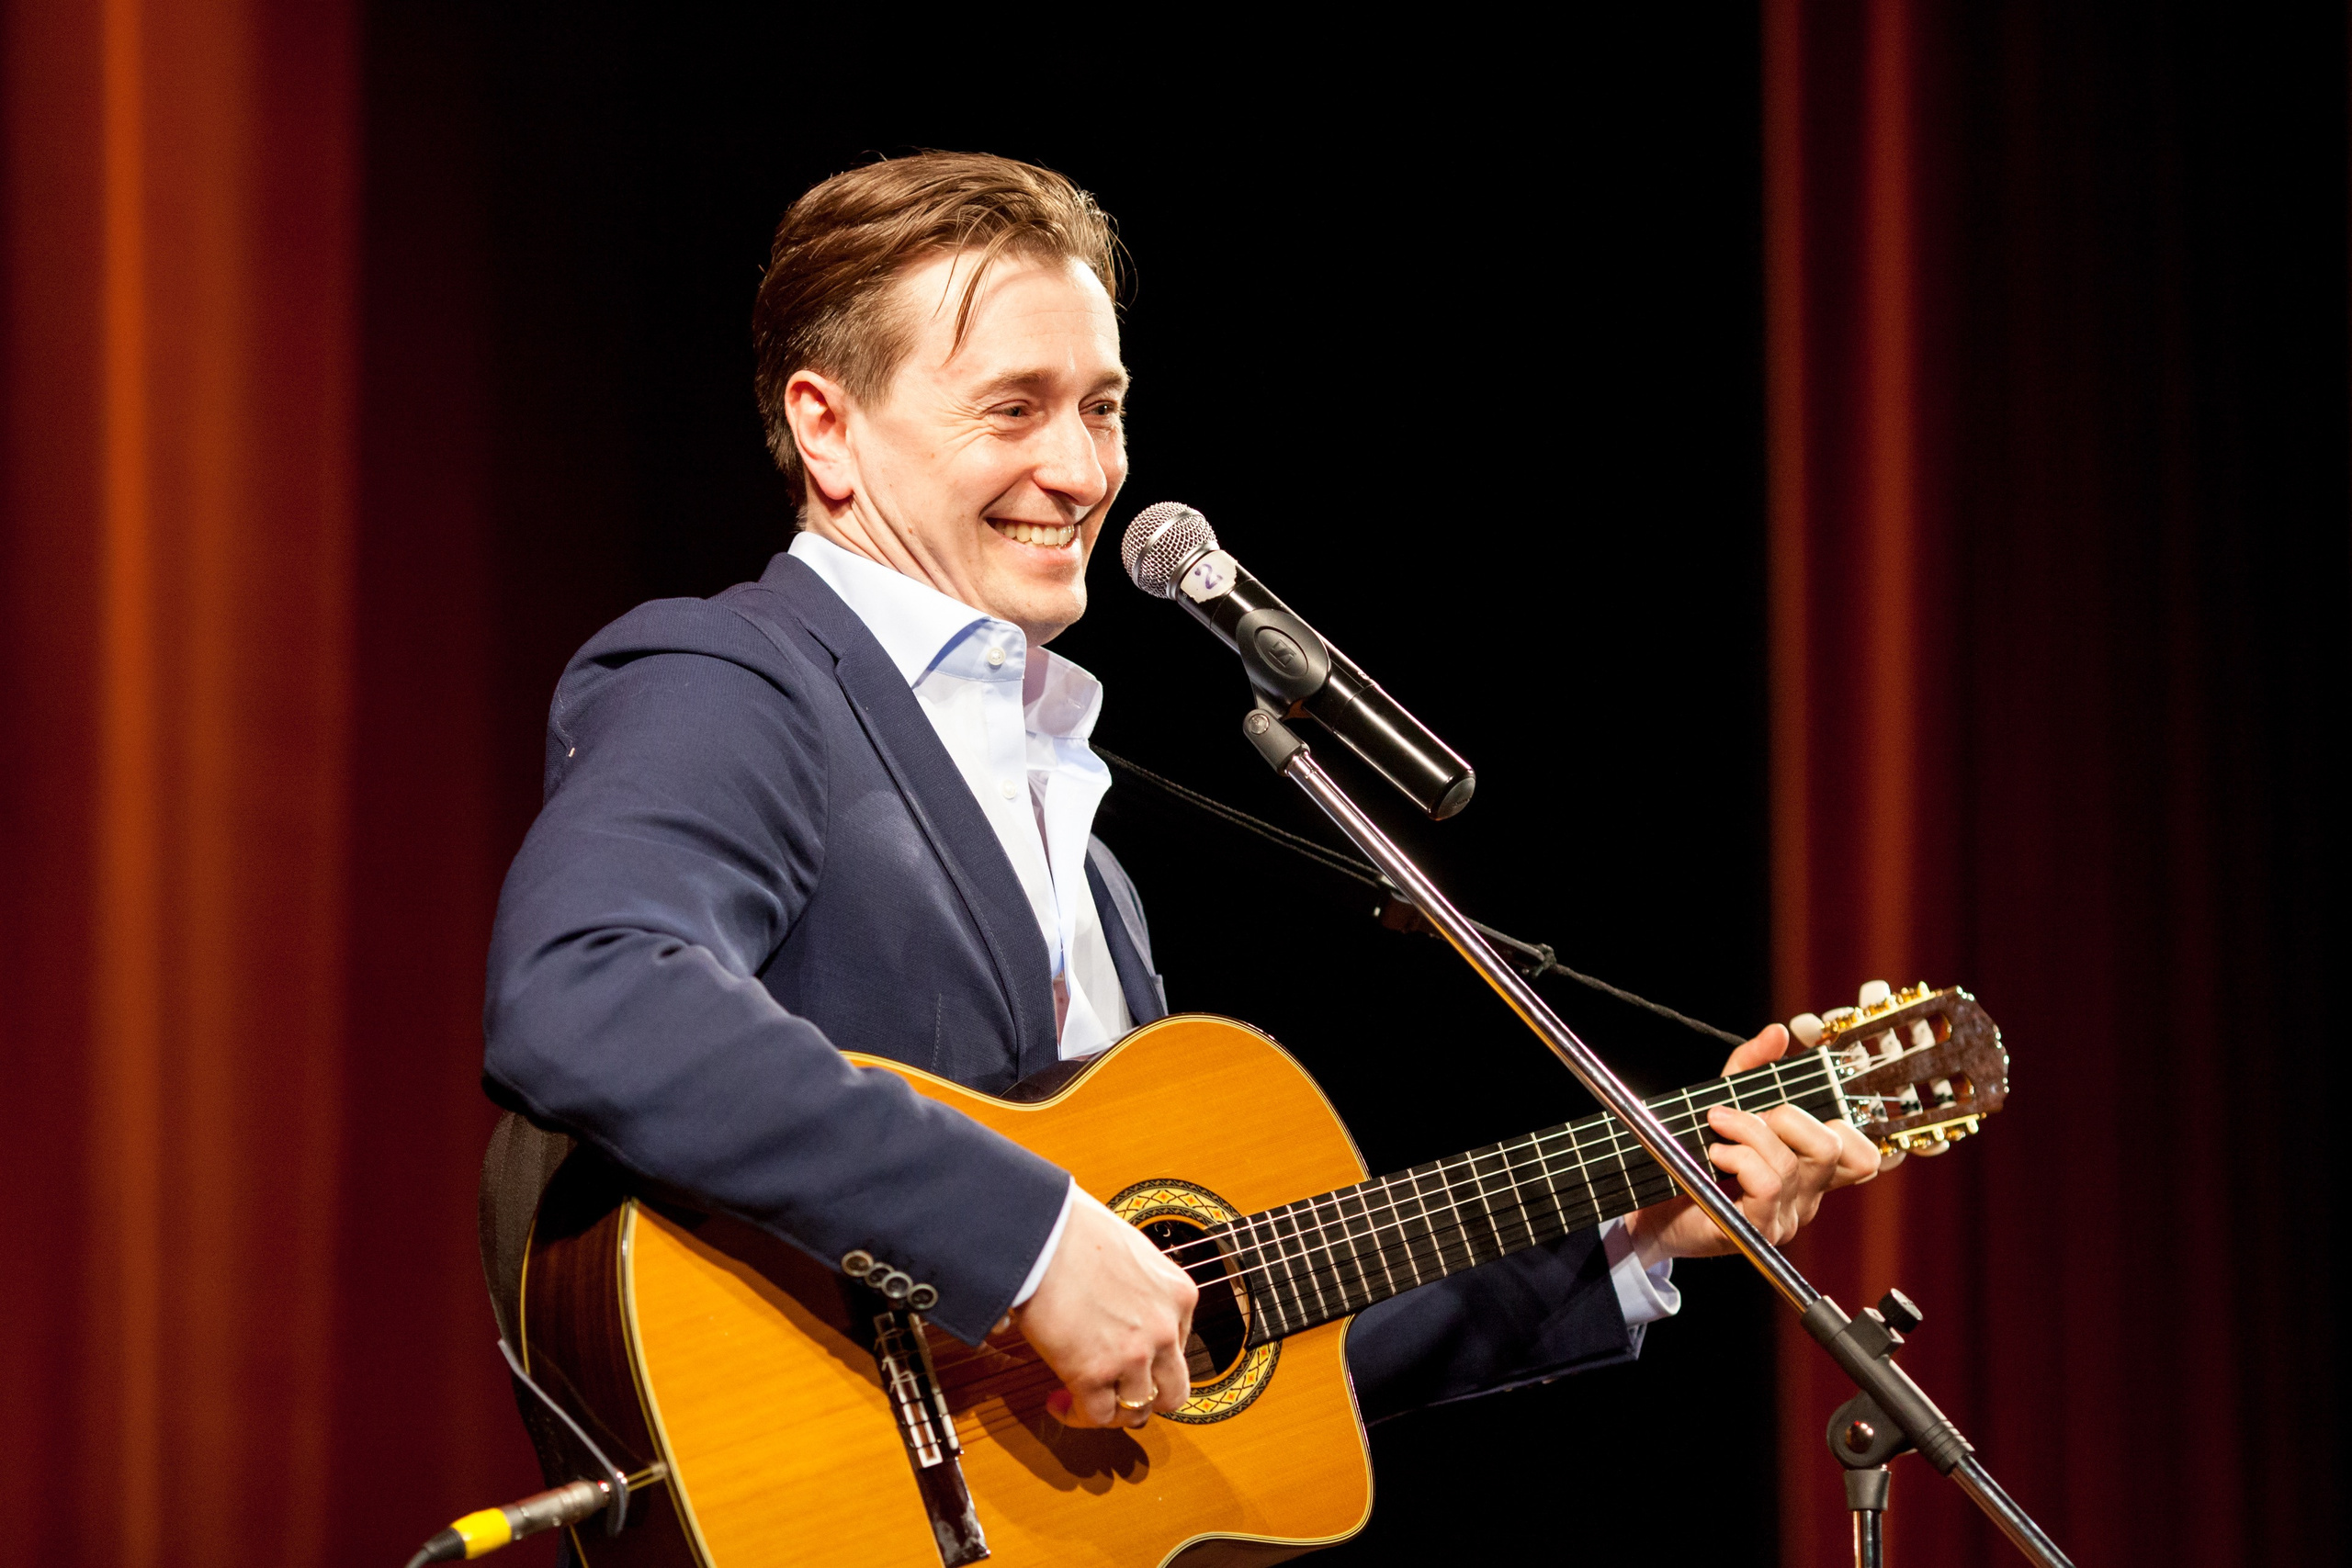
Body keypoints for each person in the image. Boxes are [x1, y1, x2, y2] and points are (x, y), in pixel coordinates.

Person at [481, 152, 1882, 1449]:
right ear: (826, 427)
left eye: (1103, 408)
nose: (1083, 472)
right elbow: (591, 985)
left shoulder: (1087, 861)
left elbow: (1202, 1349)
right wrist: (1025, 1243)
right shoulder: (734, 676)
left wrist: (1628, 1232)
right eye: (1014, 408)